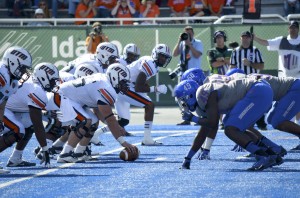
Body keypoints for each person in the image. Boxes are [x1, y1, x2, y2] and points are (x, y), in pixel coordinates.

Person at [175, 77, 283, 171]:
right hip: (261, 91)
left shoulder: (202, 92)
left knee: (230, 129)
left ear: (189, 95)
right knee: (231, 125)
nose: (183, 106)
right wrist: (188, 158)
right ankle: (272, 154)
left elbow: (212, 123)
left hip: (257, 91)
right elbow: (204, 130)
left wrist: (192, 118)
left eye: (183, 101)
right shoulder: (203, 99)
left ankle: (262, 156)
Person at [56, 63, 138, 163]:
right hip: (62, 97)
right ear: (114, 77)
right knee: (85, 121)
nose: (125, 86)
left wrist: (115, 125)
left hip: (72, 100)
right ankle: (65, 154)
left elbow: (98, 111)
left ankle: (79, 152)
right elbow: (110, 119)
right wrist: (123, 142)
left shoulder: (104, 81)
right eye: (123, 82)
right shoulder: (106, 87)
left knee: (94, 121)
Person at [111, 44, 172, 146]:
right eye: (162, 56)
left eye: (166, 57)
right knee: (149, 105)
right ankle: (147, 139)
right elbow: (138, 88)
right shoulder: (150, 64)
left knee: (124, 120)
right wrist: (155, 89)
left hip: (125, 85)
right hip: (123, 86)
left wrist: (150, 89)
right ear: (155, 54)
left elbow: (142, 82)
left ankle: (97, 133)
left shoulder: (151, 64)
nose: (164, 59)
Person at [3, 62, 60, 168]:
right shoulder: (37, 90)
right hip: (3, 108)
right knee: (18, 130)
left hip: (8, 108)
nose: (54, 84)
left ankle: (15, 158)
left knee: (29, 125)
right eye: (52, 80)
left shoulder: (32, 83)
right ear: (43, 77)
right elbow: (38, 124)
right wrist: (45, 149)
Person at [253, 21, 300, 149]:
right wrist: (255, 38)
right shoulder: (282, 41)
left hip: (297, 82)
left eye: (295, 27)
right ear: (288, 28)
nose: (293, 30)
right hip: (284, 82)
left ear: (298, 29)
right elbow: (267, 43)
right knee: (272, 119)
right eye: (291, 27)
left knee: (284, 117)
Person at [0, 46, 32, 174]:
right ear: (12, 62)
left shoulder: (11, 81)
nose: (23, 71)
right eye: (22, 67)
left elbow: (2, 103)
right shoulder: (2, 72)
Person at [230, 30, 267, 131]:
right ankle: (238, 121)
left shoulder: (256, 50)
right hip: (240, 81)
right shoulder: (235, 51)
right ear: (240, 38)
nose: (245, 39)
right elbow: (232, 67)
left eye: (247, 37)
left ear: (250, 39)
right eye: (243, 37)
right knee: (239, 102)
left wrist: (250, 64)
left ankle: (261, 122)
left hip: (253, 80)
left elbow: (261, 65)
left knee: (257, 101)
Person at [172, 26, 203, 125]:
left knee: (198, 95)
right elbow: (175, 54)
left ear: (193, 34)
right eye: (186, 33)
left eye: (189, 33)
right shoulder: (181, 44)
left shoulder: (198, 43)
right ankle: (186, 117)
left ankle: (201, 117)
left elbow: (197, 55)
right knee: (181, 97)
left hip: (194, 76)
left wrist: (190, 45)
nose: (188, 35)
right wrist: (179, 41)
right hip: (183, 75)